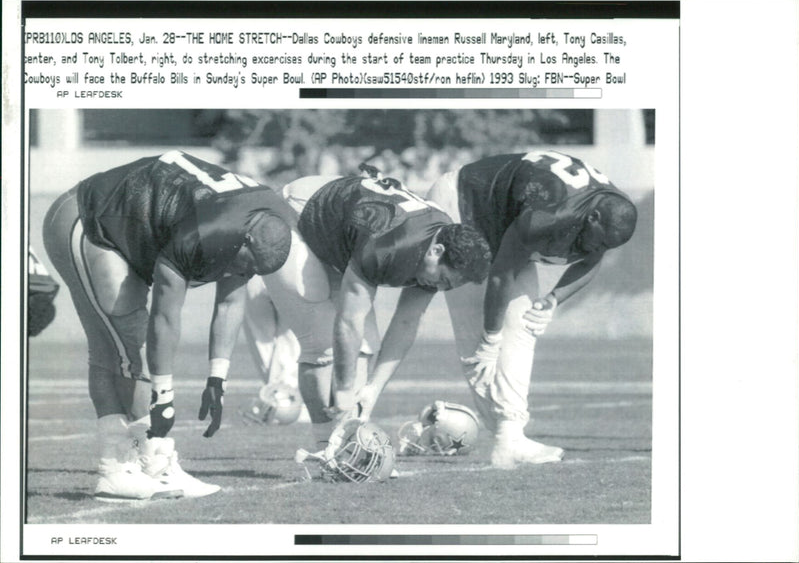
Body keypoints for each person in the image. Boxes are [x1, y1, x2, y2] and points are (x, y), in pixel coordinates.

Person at [42, 150, 294, 501]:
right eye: (243, 262)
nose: (240, 271)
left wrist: (217, 378)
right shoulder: (204, 231)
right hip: (88, 221)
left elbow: (230, 301)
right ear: (244, 237)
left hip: (128, 222)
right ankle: (141, 463)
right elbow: (164, 316)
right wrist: (164, 394)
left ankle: (134, 465)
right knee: (130, 348)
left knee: (111, 349)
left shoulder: (267, 222)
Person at [416, 150, 639, 469]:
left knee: (524, 322)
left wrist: (555, 298)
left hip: (503, 216)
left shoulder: (606, 213)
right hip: (463, 204)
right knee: (477, 337)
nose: (595, 249)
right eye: (596, 240)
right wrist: (491, 339)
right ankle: (507, 437)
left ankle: (510, 436)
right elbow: (501, 276)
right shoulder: (550, 213)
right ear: (592, 217)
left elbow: (593, 257)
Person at [251, 165, 491, 452]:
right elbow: (349, 321)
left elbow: (406, 322)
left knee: (365, 345)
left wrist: (372, 390)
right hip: (295, 214)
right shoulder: (391, 245)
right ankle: (326, 445)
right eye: (442, 279)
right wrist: (343, 391)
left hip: (341, 230)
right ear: (436, 251)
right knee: (321, 344)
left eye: (448, 286)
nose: (439, 287)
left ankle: (348, 445)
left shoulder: (435, 247)